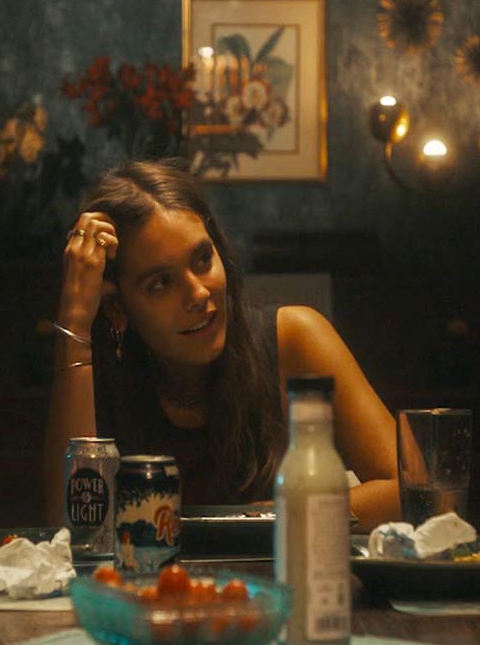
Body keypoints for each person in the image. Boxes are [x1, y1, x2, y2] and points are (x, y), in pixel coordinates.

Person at [42, 159, 400, 532]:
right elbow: (71, 529)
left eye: (202, 259)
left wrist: (267, 519)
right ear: (118, 308)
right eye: (161, 283)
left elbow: (409, 490)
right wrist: (74, 325)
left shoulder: (293, 338)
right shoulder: (96, 373)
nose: (198, 293)